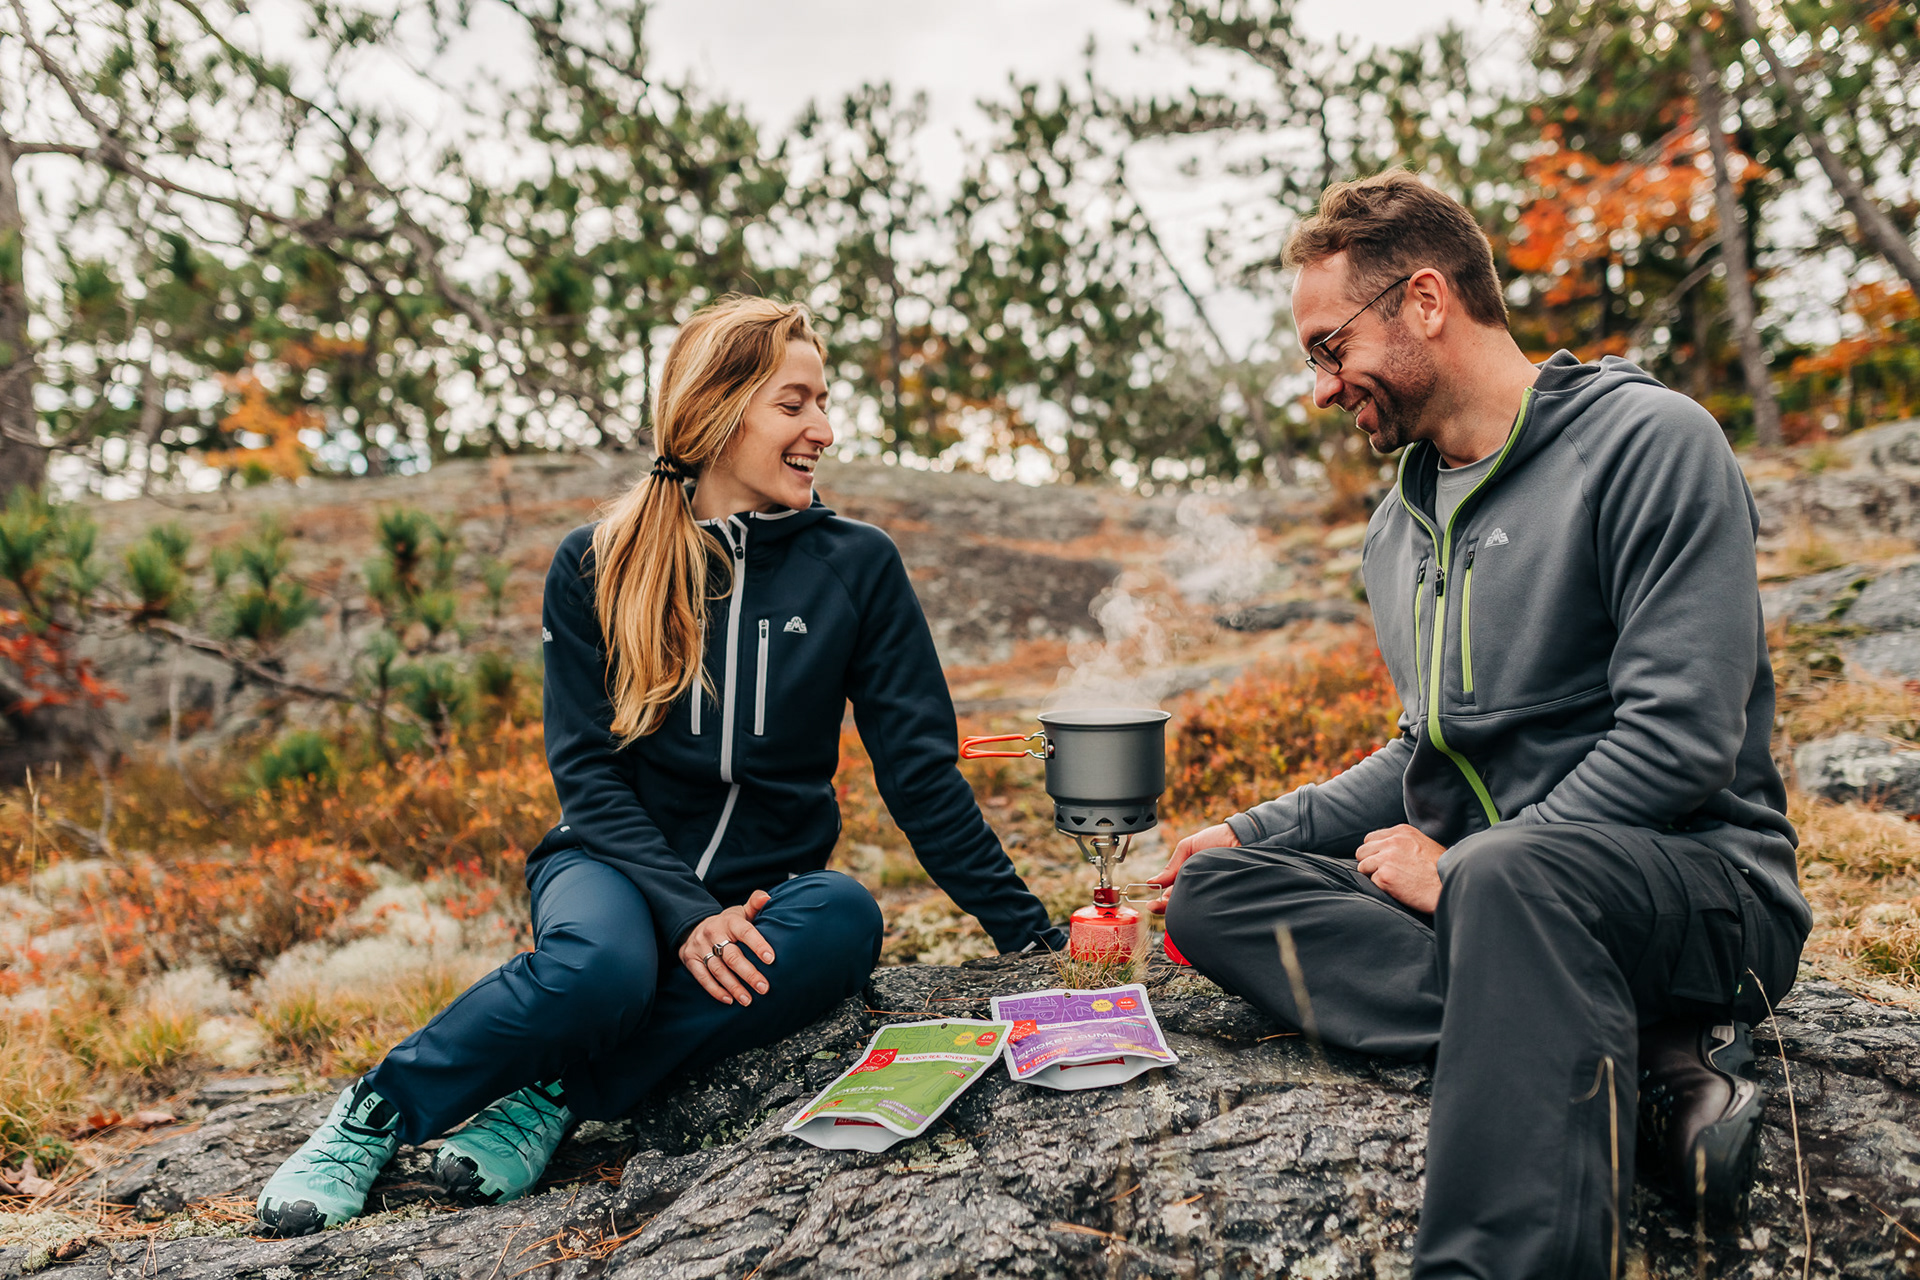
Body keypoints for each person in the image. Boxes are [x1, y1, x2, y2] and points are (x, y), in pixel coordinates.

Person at [256, 296, 1063, 1236]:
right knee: (602, 973)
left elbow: (918, 773)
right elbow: (586, 774)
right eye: (794, 404)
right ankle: (374, 1116)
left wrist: (1029, 938)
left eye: (823, 403)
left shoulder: (858, 565)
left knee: (846, 919)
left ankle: (553, 1097)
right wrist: (686, 915)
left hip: (765, 893)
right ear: (717, 411)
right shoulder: (597, 562)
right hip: (610, 864)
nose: (823, 430)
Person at [1150, 171, 1808, 1280]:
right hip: (1501, 897)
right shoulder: (1397, 529)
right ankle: (1638, 1052)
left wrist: (1461, 867)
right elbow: (1429, 750)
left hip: (1701, 888)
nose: (1322, 389)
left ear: (1424, 300)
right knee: (1217, 894)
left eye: (1329, 348)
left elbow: (1680, 741)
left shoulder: (1650, 442)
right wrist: (1254, 830)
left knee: (1506, 881)